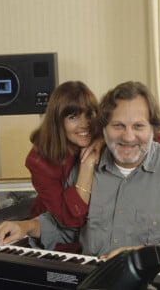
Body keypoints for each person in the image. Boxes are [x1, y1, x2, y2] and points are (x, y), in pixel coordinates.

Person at [0, 81, 160, 270]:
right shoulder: (83, 168)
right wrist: (26, 226)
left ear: (153, 128)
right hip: (91, 279)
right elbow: (70, 227)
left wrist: (145, 257)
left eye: (138, 126)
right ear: (103, 127)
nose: (128, 137)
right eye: (118, 126)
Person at [25, 80, 102, 228]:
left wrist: (105, 139)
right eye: (73, 117)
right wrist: (87, 165)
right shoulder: (39, 161)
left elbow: (156, 139)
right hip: (57, 232)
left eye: (89, 114)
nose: (84, 124)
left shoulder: (103, 137)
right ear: (57, 121)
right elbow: (72, 219)